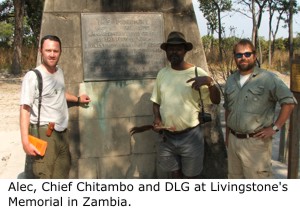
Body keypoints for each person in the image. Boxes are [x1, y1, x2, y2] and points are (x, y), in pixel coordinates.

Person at [150, 31, 221, 179]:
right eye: (170, 49)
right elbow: (156, 101)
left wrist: (210, 82)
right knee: (174, 173)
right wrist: (157, 119)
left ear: (185, 51)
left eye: (178, 48)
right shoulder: (162, 74)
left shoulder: (197, 72)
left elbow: (216, 100)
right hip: (167, 137)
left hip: (191, 136)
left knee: (191, 175)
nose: (173, 52)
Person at [223, 39, 297, 179]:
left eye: (247, 54)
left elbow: (289, 102)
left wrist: (275, 128)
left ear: (254, 56)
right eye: (239, 55)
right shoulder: (231, 80)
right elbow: (228, 109)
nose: (243, 58)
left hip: (256, 143)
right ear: (235, 58)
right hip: (233, 141)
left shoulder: (267, 78)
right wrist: (228, 136)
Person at [20, 35, 91, 179]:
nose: (52, 54)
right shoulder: (33, 76)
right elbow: (24, 109)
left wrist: (78, 99)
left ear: (60, 52)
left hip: (62, 133)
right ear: (41, 51)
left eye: (55, 51)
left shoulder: (59, 72)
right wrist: (25, 141)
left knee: (62, 176)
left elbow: (59, 93)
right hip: (44, 133)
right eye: (48, 50)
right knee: (44, 178)